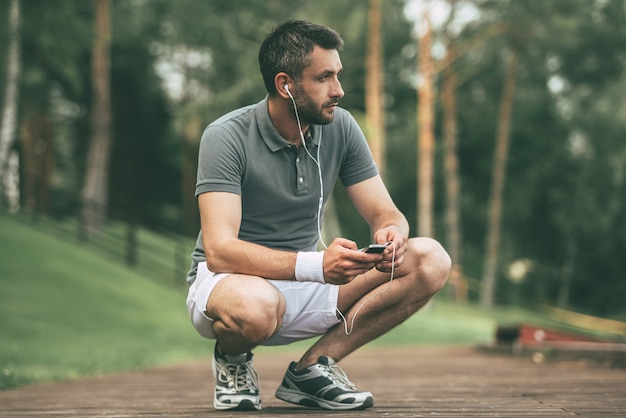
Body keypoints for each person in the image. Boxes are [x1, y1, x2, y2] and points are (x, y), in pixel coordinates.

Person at [186, 20, 451, 411]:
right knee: (257, 307)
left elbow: (384, 211)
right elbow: (220, 251)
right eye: (324, 78)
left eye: (337, 75)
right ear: (285, 85)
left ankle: (312, 368)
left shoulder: (341, 127)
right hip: (231, 285)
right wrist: (316, 266)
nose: (338, 90)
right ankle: (233, 359)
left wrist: (391, 234)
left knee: (430, 259)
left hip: (308, 283)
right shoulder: (226, 136)